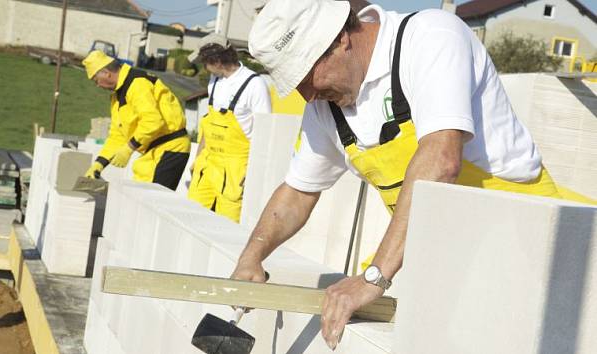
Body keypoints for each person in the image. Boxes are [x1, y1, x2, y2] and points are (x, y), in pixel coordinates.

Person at [230, 0, 597, 350]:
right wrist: (253, 254)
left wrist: (373, 278)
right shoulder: (327, 108)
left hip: (540, 247)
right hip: (453, 260)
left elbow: (441, 159)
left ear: (340, 38)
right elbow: (298, 191)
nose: (307, 94)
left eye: (307, 76)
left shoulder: (428, 37)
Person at [187, 33, 271, 223]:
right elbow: (209, 125)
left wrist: (253, 172)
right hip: (209, 165)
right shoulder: (214, 81)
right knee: (193, 219)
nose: (203, 67)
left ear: (216, 61)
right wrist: (197, 159)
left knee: (227, 226)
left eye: (204, 62)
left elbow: (264, 134)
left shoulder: (254, 85)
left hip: (236, 170)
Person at [82, 50, 191, 190]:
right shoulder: (117, 96)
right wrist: (99, 164)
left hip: (171, 148)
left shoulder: (137, 83)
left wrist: (129, 148)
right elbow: (117, 135)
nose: (97, 85)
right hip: (152, 151)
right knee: (140, 198)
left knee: (153, 200)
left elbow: (153, 121)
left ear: (106, 73)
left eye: (96, 81)